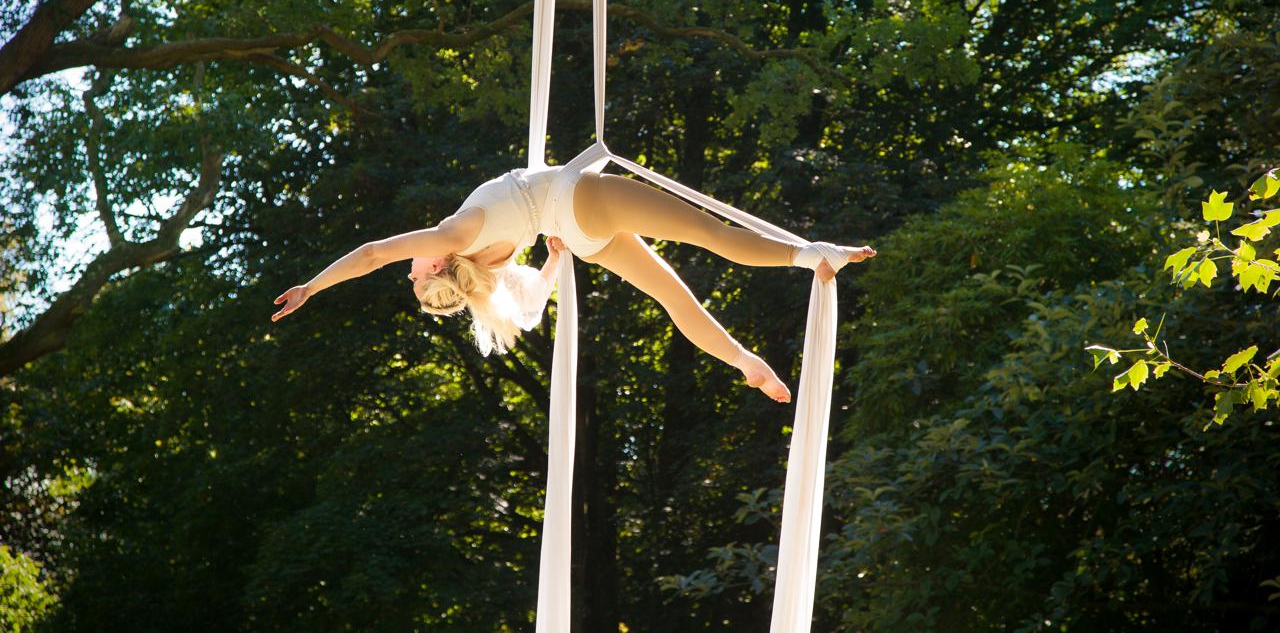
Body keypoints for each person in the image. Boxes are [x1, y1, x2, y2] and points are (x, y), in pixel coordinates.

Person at [272, 164, 876, 403]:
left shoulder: (488, 268)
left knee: (670, 294)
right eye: (413, 276)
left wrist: (558, 260)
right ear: (433, 266)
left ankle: (748, 364)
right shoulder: (451, 235)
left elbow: (532, 300)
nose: (408, 268)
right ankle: (813, 255)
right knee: (706, 232)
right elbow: (374, 253)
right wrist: (310, 287)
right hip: (577, 200)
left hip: (577, 232)